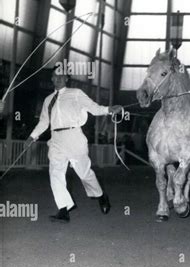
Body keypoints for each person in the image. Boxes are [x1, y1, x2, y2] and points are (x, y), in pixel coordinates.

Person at [26, 71, 123, 223]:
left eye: (61, 76)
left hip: (74, 136)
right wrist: (32, 136)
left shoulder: (76, 93)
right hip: (56, 139)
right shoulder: (48, 100)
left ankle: (101, 195)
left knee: (84, 174)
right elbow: (44, 122)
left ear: (66, 79)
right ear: (52, 78)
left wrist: (108, 109)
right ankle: (63, 210)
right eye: (55, 76)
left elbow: (93, 108)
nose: (58, 79)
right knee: (55, 173)